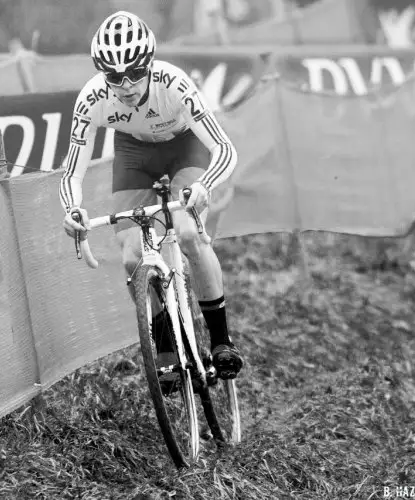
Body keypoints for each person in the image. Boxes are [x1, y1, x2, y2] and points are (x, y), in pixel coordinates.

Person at [59, 11, 244, 383]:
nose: (125, 85)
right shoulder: (92, 98)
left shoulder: (173, 83)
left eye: (134, 73)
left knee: (188, 233)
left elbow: (225, 149)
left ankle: (222, 341)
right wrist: (72, 210)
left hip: (184, 148)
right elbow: (72, 173)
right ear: (102, 74)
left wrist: (204, 185)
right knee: (131, 257)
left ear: (149, 64)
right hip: (134, 154)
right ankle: (164, 346)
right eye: (114, 76)